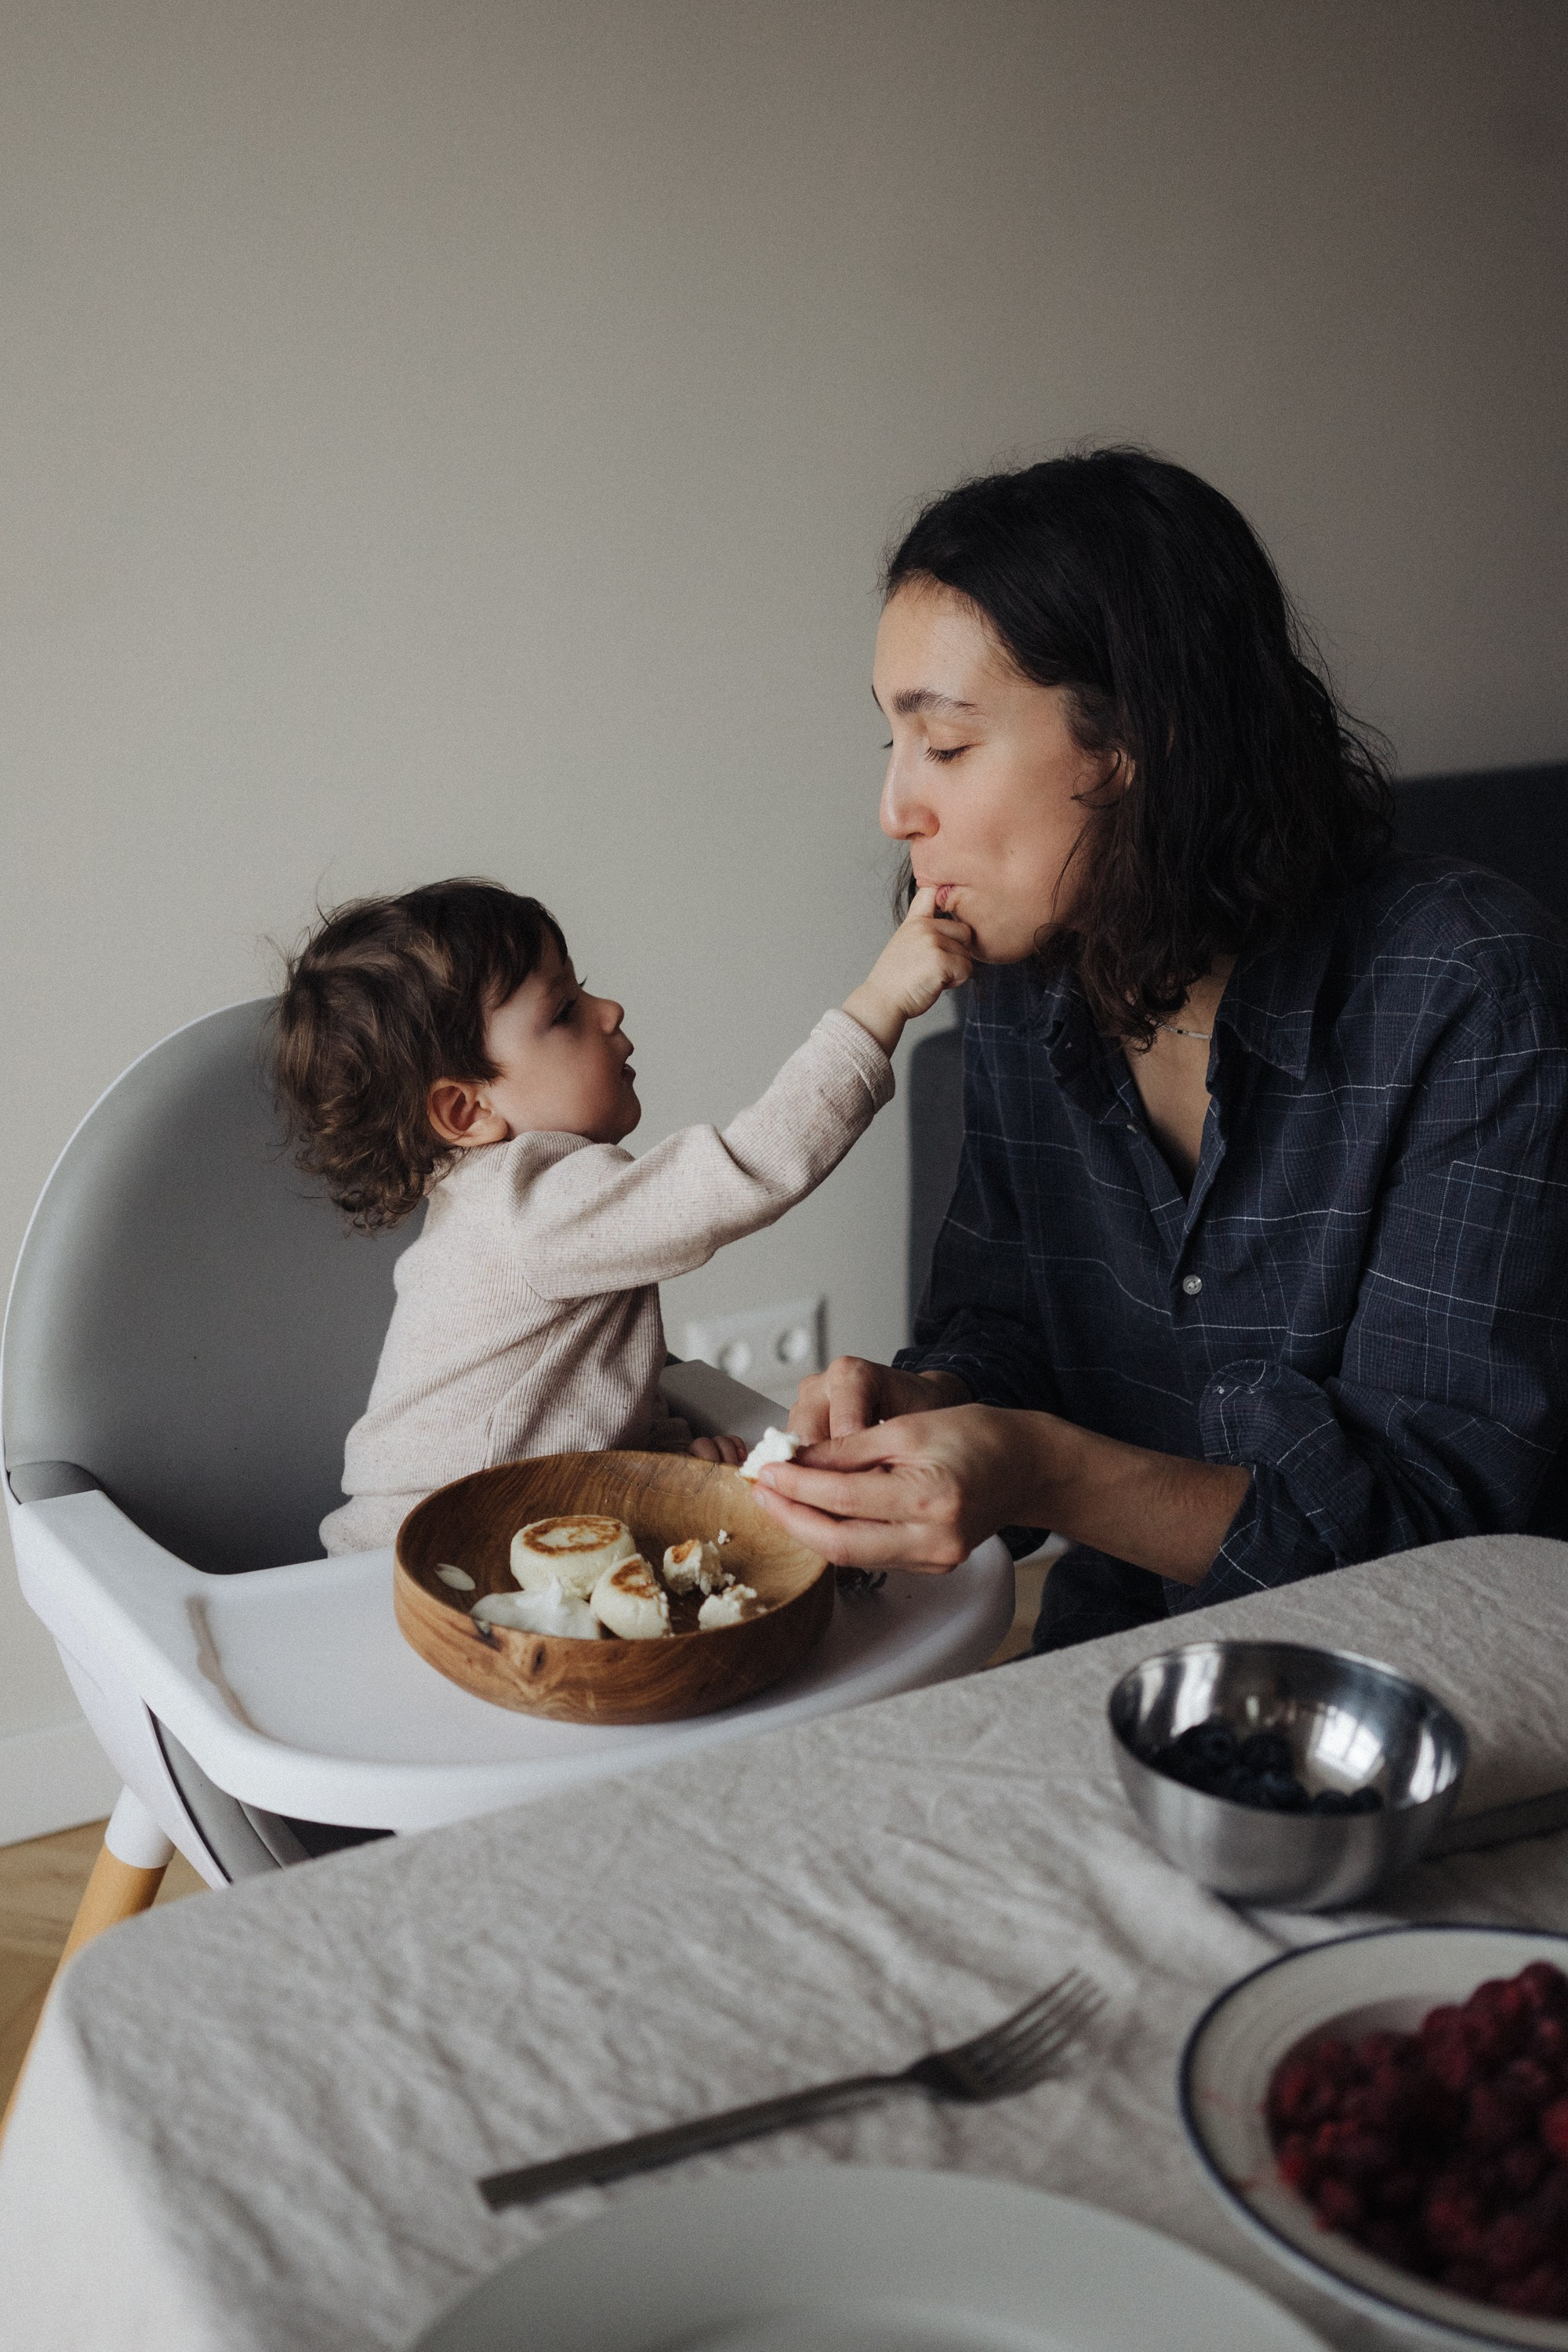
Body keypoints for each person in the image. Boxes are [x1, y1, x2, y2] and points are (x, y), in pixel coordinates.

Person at [750, 448, 1568, 1648]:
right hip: (1116, 1645)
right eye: (893, 744)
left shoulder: (1476, 993)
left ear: (1135, 739)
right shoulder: (1022, 978)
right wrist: (925, 1401)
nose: (897, 810)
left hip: (1435, 1682)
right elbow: (1010, 1325)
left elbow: (1433, 1535)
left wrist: (1043, 1474)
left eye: (949, 744)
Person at [270, 877, 970, 1553]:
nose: (609, 1012)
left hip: (492, 1527)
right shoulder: (534, 1204)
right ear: (466, 1109)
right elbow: (745, 1171)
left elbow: (562, 1393)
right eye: (565, 1011)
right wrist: (880, 1004)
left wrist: (654, 1451)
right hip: (434, 1553)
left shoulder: (503, 1198)